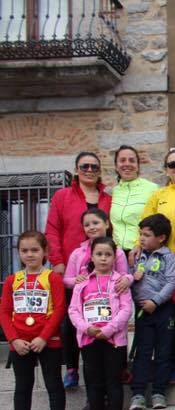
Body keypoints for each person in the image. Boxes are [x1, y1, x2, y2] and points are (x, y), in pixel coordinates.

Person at [45, 151, 112, 389]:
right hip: (73, 267)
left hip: (102, 266)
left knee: (102, 316)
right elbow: (52, 230)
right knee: (70, 320)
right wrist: (57, 261)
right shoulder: (63, 196)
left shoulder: (107, 198)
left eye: (94, 166)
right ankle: (72, 368)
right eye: (85, 166)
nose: (90, 170)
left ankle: (105, 367)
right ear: (76, 169)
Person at [1, 232, 66, 410]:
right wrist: (13, 340)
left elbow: (59, 310)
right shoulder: (12, 280)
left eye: (35, 250)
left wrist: (43, 337)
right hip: (20, 343)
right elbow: (4, 312)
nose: (30, 255)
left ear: (45, 252)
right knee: (22, 386)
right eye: (24, 251)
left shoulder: (52, 278)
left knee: (53, 384)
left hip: (48, 341)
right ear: (19, 253)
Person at [68, 236, 133, 410]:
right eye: (99, 254)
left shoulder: (120, 282)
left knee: (113, 382)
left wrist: (109, 329)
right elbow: (73, 310)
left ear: (115, 257)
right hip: (89, 341)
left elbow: (126, 308)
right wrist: (87, 328)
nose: (103, 258)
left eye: (108, 254)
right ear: (92, 257)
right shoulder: (82, 283)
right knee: (94, 383)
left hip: (114, 341)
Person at [129, 214, 175, 410]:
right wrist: (132, 268)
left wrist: (155, 301)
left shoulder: (167, 256)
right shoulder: (137, 256)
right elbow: (129, 280)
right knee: (143, 352)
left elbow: (172, 281)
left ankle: (159, 392)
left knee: (164, 352)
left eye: (147, 235)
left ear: (161, 238)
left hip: (163, 310)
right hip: (143, 312)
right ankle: (138, 393)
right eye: (140, 234)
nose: (141, 238)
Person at [110, 145, 158, 252]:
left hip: (142, 251)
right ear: (116, 166)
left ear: (137, 165)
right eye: (122, 160)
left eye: (132, 160)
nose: (127, 164)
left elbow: (156, 223)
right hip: (117, 253)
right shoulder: (115, 191)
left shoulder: (152, 188)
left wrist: (139, 245)